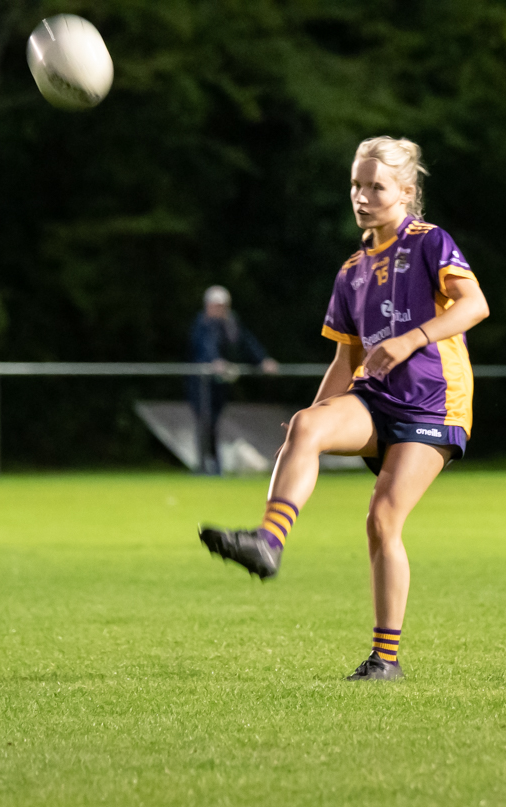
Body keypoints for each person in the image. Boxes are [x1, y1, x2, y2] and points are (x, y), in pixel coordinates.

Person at [199, 136, 489, 680]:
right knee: (307, 425)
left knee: (382, 521)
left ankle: (385, 660)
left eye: (376, 186)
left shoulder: (430, 242)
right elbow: (345, 358)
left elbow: (476, 305)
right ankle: (267, 543)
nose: (362, 195)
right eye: (356, 184)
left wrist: (410, 339)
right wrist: (314, 416)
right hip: (375, 399)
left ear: (405, 192)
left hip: (434, 405)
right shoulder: (352, 270)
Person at [188, 285, 279, 474]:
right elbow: (204, 348)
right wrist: (215, 361)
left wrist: (263, 360)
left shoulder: (232, 323)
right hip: (201, 384)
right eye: (216, 305)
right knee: (205, 422)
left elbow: (247, 343)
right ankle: (206, 465)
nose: (220, 309)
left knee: (214, 422)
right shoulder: (202, 323)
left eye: (223, 305)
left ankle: (214, 466)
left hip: (219, 383)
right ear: (208, 305)